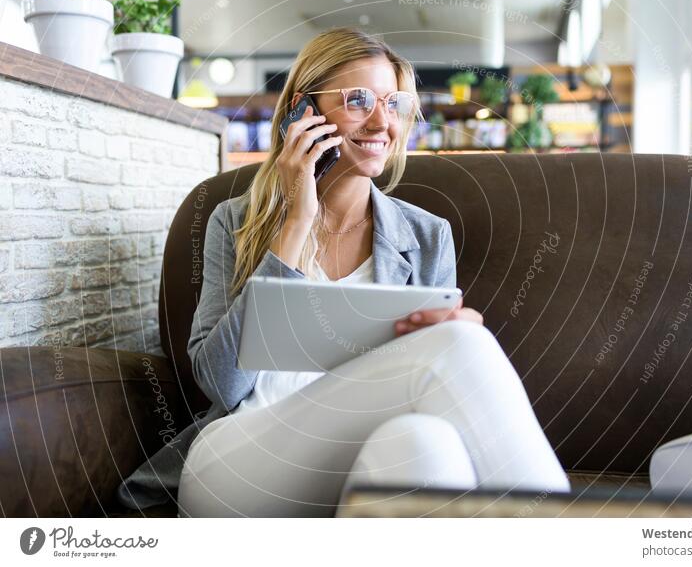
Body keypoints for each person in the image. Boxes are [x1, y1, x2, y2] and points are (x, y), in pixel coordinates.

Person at [120, 26, 570, 518]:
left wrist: (451, 332)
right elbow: (221, 384)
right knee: (459, 349)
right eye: (358, 100)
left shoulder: (426, 237)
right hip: (237, 462)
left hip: (353, 461)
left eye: (393, 103)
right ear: (302, 109)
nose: (382, 121)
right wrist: (296, 221)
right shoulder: (232, 222)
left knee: (424, 443)